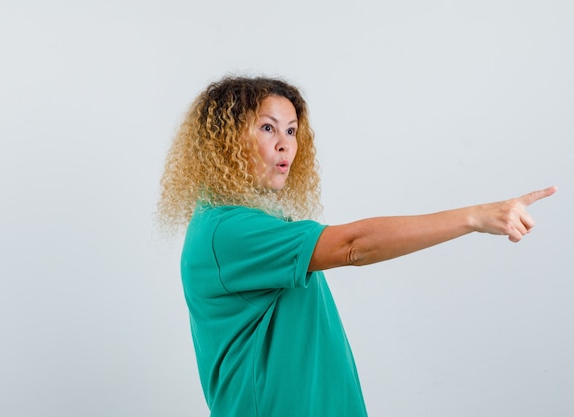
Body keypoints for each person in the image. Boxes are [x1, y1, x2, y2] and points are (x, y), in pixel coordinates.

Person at [157, 75, 556, 417]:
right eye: (267, 128)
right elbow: (353, 245)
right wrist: (476, 217)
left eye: (291, 130)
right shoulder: (227, 230)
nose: (285, 145)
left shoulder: (253, 221)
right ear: (225, 139)